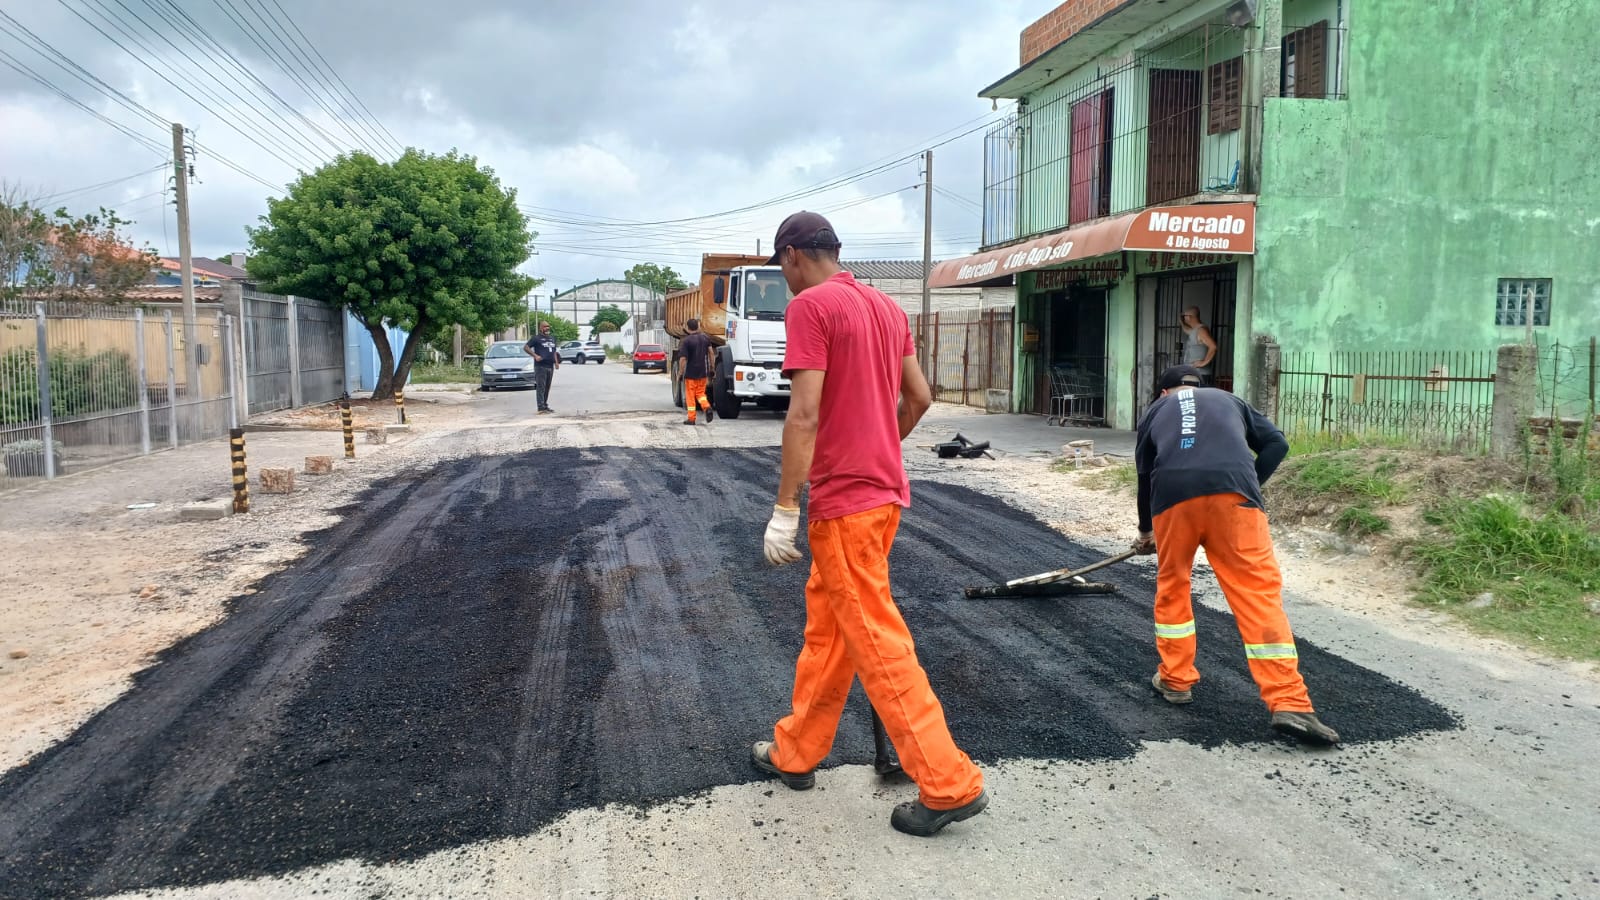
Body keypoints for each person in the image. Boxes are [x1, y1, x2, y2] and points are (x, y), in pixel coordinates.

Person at [753, 210, 987, 837]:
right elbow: (920, 398)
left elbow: (803, 416)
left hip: (844, 506)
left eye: (783, 268)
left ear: (792, 255)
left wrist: (784, 509)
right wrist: (882, 445)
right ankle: (796, 752)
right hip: (883, 498)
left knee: (878, 642)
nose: (786, 280)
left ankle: (947, 783)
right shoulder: (885, 308)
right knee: (832, 632)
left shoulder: (812, 308)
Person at [1132, 364, 1339, 745]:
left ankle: (1176, 680)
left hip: (1173, 498)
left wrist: (1147, 531)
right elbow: (1277, 444)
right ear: (1199, 386)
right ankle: (1290, 701)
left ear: (1163, 392)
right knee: (1257, 593)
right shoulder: (1230, 400)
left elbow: (1145, 476)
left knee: (1174, 583)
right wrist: (1247, 485)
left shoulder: (1155, 412)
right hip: (1237, 498)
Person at [678, 317, 714, 425]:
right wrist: (712, 368)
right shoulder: (705, 338)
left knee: (690, 396)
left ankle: (691, 418)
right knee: (700, 394)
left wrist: (680, 372)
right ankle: (707, 407)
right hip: (702, 373)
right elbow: (711, 353)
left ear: (688, 328)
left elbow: (683, 359)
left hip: (690, 374)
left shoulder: (686, 341)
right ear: (698, 326)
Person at [523, 321, 559, 414]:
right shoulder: (536, 338)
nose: (547, 328)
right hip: (540, 366)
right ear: (540, 328)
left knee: (547, 387)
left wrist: (556, 362)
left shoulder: (552, 338)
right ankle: (540, 407)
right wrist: (535, 356)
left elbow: (554, 351)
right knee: (541, 387)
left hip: (550, 366)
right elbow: (526, 347)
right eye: (545, 326)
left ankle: (545, 405)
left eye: (548, 326)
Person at [1180, 306, 1218, 382]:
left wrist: (1203, 363)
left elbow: (1213, 346)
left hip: (1199, 375)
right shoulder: (1195, 330)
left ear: (1189, 317)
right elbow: (1185, 329)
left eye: (1185, 316)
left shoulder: (1201, 330)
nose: (1184, 318)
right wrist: (1181, 319)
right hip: (1194, 374)